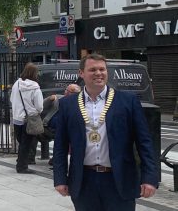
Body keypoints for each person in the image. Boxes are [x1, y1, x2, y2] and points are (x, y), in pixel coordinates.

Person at [53, 54, 158, 210]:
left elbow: (145, 142)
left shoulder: (127, 101)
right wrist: (60, 178)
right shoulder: (67, 104)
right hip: (84, 181)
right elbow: (60, 145)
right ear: (81, 73)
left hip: (119, 180)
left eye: (102, 69)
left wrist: (150, 178)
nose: (98, 73)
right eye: (92, 69)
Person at [9, 62, 43, 174]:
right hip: (29, 120)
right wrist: (35, 111)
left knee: (21, 142)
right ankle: (22, 166)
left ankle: (20, 161)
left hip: (17, 118)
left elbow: (11, 100)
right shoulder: (35, 87)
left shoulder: (16, 84)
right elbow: (39, 106)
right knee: (27, 143)